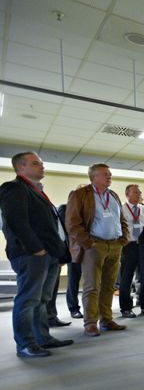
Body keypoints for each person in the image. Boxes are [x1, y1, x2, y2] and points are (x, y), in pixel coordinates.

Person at [0, 152, 73, 357]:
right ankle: (26, 344)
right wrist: (36, 249)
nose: (42, 166)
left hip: (48, 254)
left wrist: (58, 254)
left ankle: (43, 338)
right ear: (20, 168)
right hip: (30, 254)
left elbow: (50, 226)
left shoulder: (37, 191)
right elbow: (16, 222)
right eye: (35, 163)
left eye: (41, 163)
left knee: (43, 299)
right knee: (28, 299)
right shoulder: (13, 188)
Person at [65, 163, 129, 337]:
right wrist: (88, 243)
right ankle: (90, 323)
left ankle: (106, 320)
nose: (109, 176)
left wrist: (124, 238)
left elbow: (120, 219)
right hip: (94, 246)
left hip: (115, 245)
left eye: (109, 174)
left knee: (109, 286)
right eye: (105, 174)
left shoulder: (113, 195)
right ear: (93, 177)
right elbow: (72, 223)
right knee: (92, 286)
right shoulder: (80, 194)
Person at [119, 184, 144, 318]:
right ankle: (126, 308)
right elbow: (117, 228)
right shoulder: (121, 209)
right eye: (136, 192)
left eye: (140, 192)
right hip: (129, 246)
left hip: (143, 246)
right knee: (126, 279)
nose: (139, 194)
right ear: (127, 194)